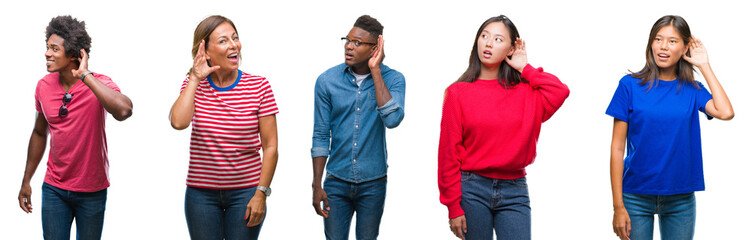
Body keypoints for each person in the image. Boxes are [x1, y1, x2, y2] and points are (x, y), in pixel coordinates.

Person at [438, 15, 569, 240]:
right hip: (472, 188)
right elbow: (448, 154)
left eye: (498, 39)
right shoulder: (457, 93)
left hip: (514, 189)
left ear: (511, 49)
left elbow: (560, 91)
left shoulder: (528, 93)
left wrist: (525, 68)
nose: (488, 43)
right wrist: (453, 206)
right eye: (484, 36)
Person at [608, 15, 734, 240]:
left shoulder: (692, 89)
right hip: (635, 196)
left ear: (685, 47)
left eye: (672, 41)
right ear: (651, 43)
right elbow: (617, 149)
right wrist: (618, 206)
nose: (663, 47)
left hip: (681, 198)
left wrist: (704, 65)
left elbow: (725, 112)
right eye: (658, 39)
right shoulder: (629, 86)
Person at [17, 15, 133, 240]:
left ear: (73, 55)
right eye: (47, 47)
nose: (47, 53)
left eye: (54, 49)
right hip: (54, 189)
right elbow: (40, 132)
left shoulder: (99, 83)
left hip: (92, 191)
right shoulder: (43, 86)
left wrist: (86, 76)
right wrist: (26, 180)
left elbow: (124, 111)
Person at [169, 15, 279, 240]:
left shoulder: (259, 87)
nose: (233, 45)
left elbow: (270, 147)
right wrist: (194, 78)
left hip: (246, 192)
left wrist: (261, 193)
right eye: (223, 40)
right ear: (205, 51)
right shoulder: (194, 86)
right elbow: (178, 122)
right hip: (201, 195)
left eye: (235, 38)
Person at [310, 15, 406, 240]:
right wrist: (316, 184)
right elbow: (321, 135)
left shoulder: (394, 79)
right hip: (335, 182)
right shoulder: (326, 81)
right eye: (348, 40)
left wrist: (376, 70)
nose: (349, 46)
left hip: (373, 183)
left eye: (358, 43)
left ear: (375, 49)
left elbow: (392, 120)